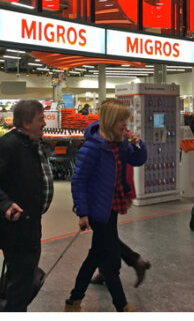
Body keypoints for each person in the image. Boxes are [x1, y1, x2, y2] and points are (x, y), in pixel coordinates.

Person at [65, 99, 147, 312]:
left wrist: (139, 143)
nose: (125, 124)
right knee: (109, 260)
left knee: (96, 254)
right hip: (96, 208)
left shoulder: (120, 144)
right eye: (121, 120)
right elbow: (79, 180)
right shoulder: (92, 147)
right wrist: (82, 212)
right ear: (111, 121)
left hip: (112, 206)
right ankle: (122, 305)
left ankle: (74, 300)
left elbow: (138, 160)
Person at [0, 100, 54, 312]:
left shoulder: (32, 143)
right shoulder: (7, 145)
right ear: (26, 123)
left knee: (23, 277)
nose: (44, 123)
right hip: (16, 227)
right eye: (40, 119)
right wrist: (5, 204)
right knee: (20, 283)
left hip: (31, 223)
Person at [89, 163, 151, 288]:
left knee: (106, 235)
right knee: (104, 234)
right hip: (101, 190)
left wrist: (128, 192)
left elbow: (125, 162)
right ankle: (106, 270)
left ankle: (131, 263)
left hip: (108, 193)